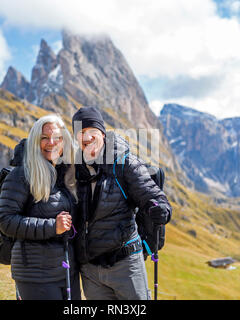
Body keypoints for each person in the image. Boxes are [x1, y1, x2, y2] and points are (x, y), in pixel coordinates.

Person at [72, 106, 172, 300]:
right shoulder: (74, 168)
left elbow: (153, 195)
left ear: (102, 133)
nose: (87, 137)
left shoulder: (125, 162)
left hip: (125, 264)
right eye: (81, 133)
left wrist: (161, 209)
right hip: (91, 270)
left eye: (92, 131)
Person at [0, 114, 81, 300]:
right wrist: (53, 226)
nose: (51, 142)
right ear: (36, 141)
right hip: (36, 276)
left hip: (66, 273)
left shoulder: (65, 175)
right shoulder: (21, 175)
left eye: (57, 138)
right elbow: (5, 220)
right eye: (44, 138)